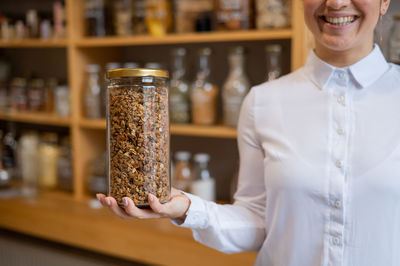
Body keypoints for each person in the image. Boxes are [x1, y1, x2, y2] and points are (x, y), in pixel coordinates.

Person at [97, 0, 400, 264]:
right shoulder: (263, 101)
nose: (335, 3)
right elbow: (256, 221)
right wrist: (188, 209)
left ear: (385, 1)